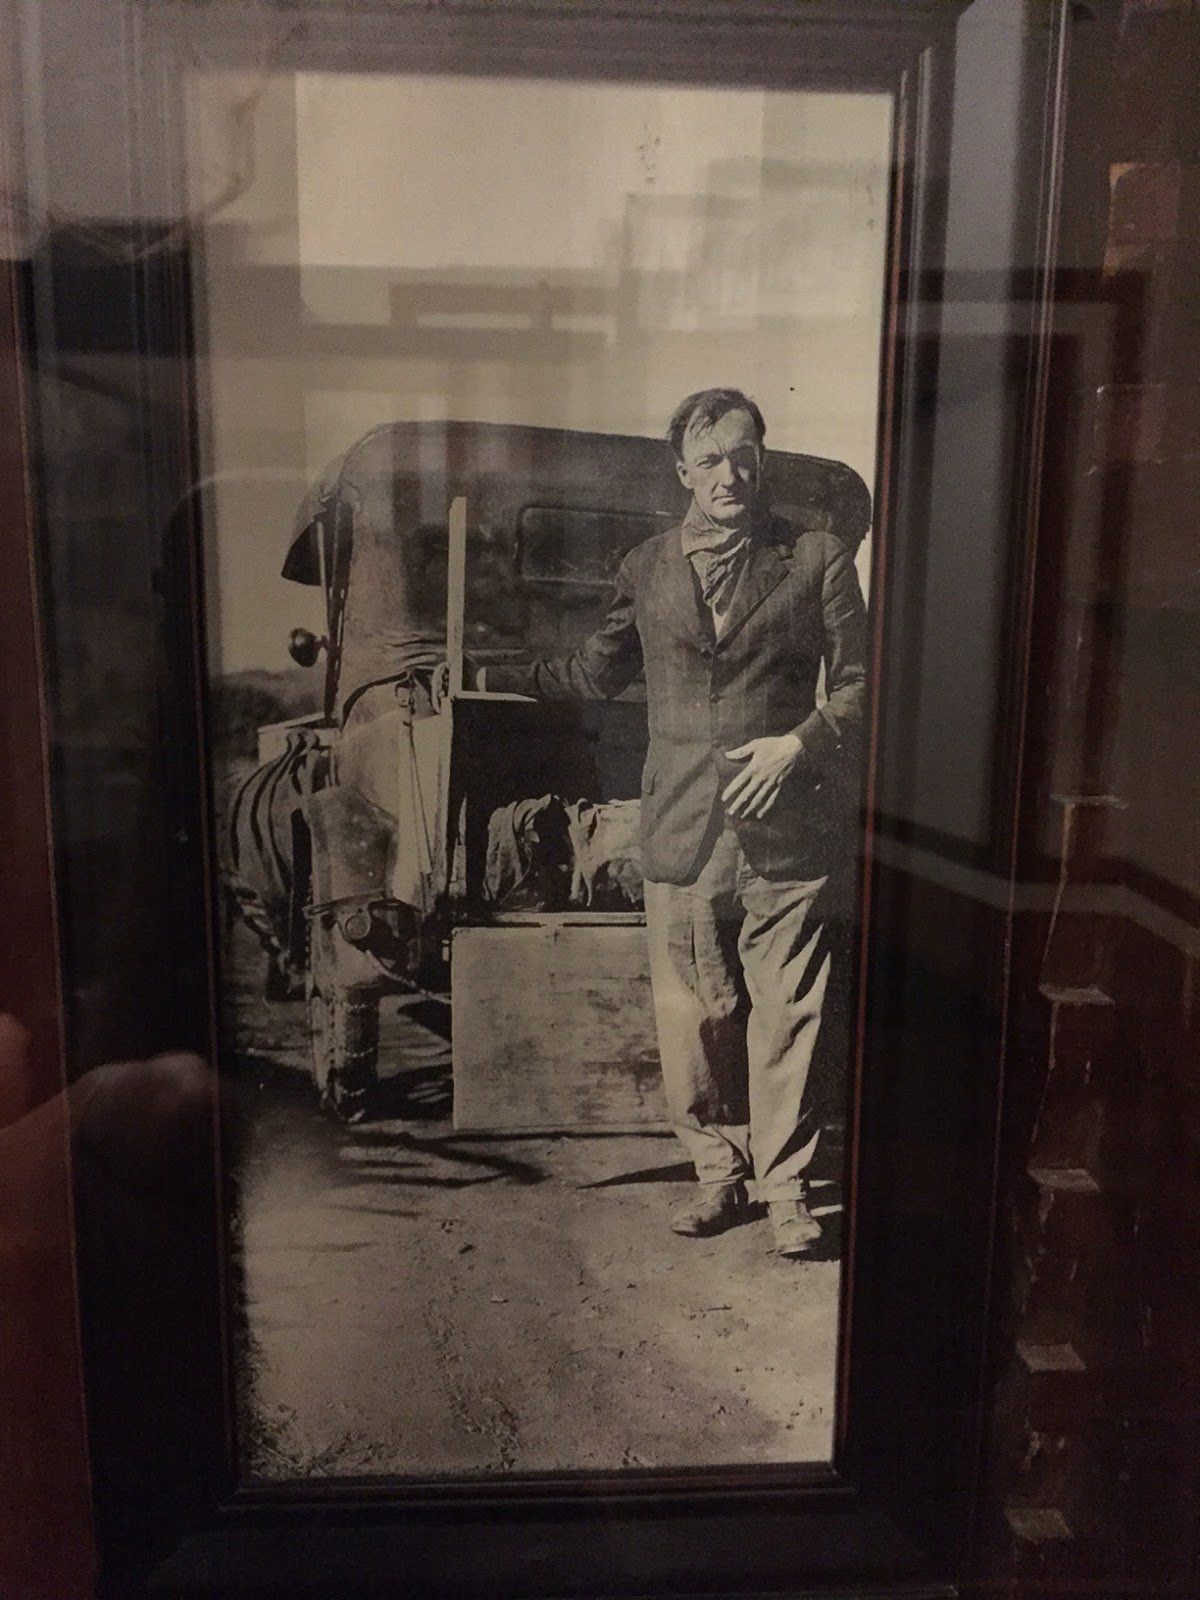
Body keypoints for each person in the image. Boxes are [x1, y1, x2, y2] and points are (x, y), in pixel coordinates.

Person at [482, 389, 867, 1257]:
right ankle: (718, 1174)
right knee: (696, 1014)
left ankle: (787, 1192)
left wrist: (797, 745)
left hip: (788, 825)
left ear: (762, 460)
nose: (730, 476)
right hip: (684, 822)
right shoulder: (647, 566)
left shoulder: (816, 558)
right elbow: (595, 671)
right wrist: (493, 672)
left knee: (789, 1011)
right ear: (683, 471)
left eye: (744, 457)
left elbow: (859, 685)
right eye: (711, 460)